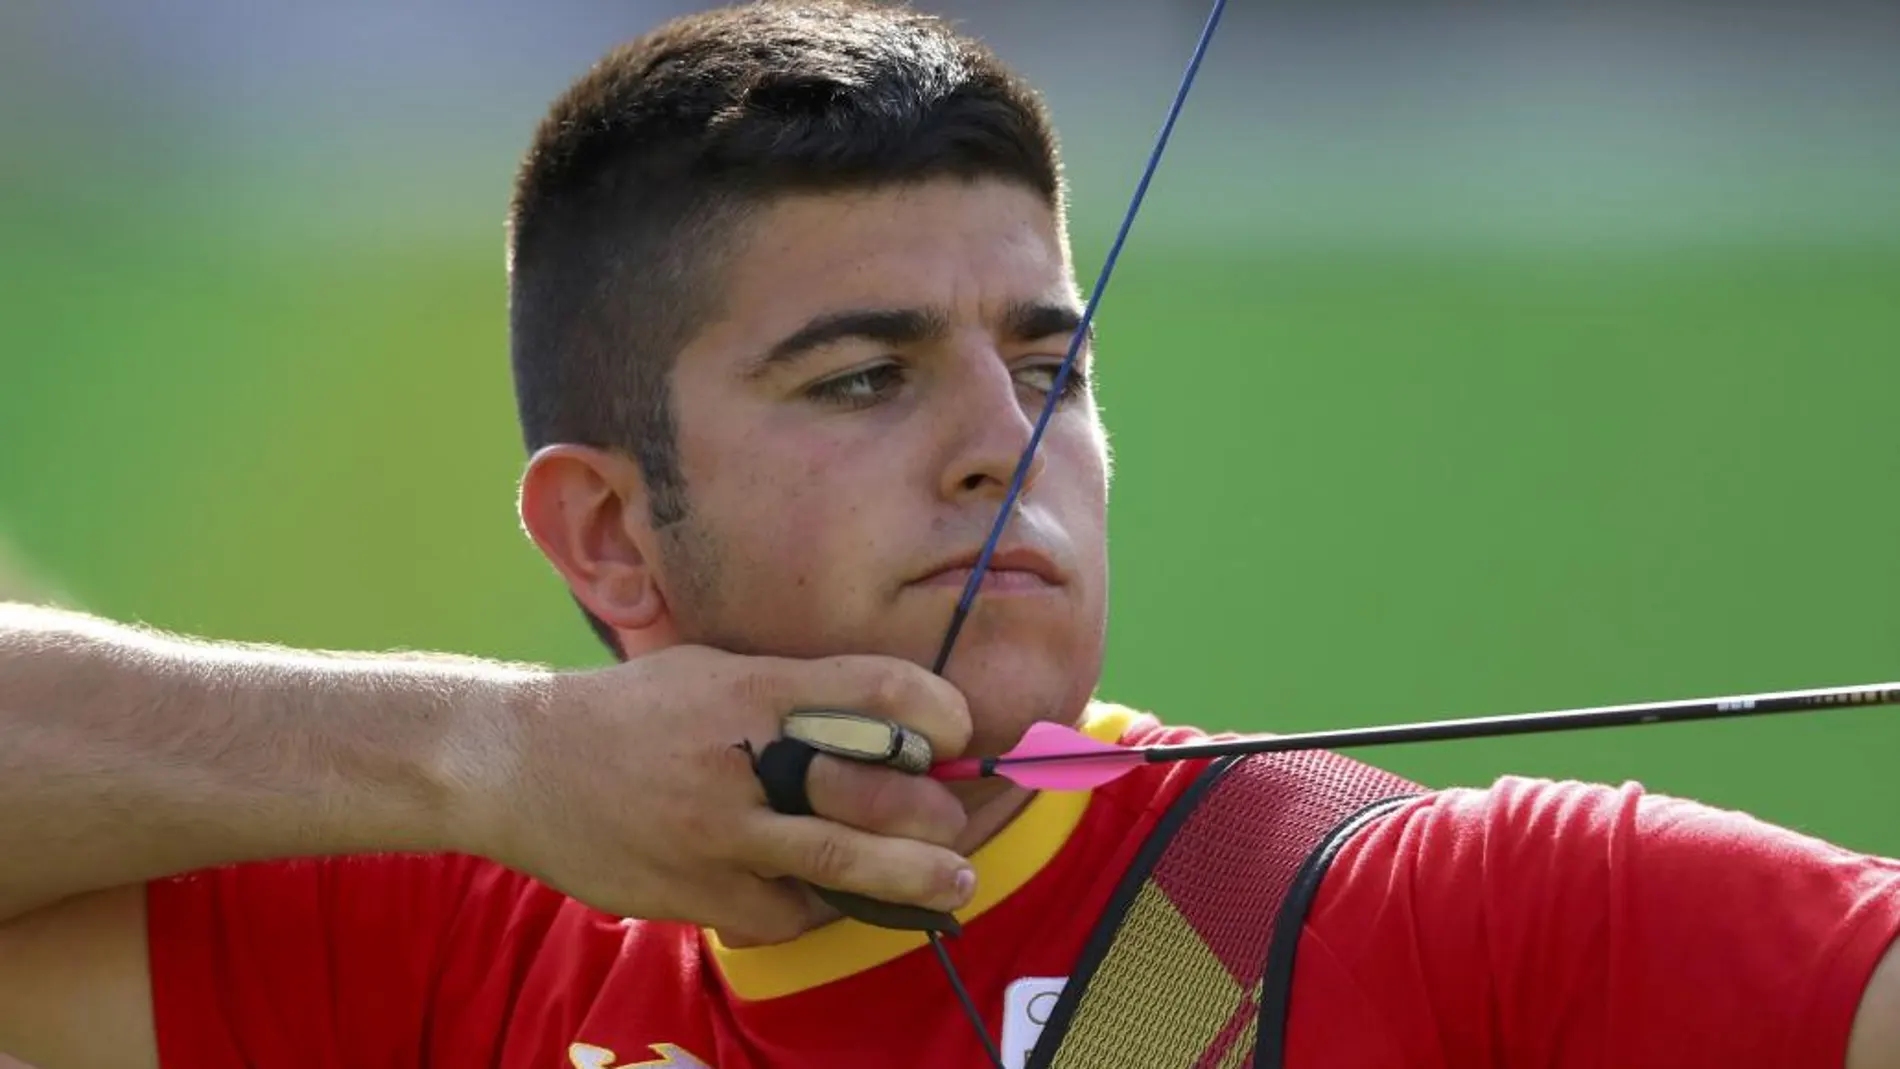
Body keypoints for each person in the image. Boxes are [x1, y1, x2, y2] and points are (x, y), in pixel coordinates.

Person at [2, 2, 1897, 1067]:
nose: (1007, 446)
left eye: (1046, 364)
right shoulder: (464, 949)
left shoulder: (1450, 915)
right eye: (862, 377)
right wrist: (490, 753)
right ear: (607, 535)